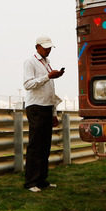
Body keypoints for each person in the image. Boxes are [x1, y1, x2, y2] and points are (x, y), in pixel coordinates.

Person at [22, 36, 64, 192]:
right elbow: (28, 84)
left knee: (45, 146)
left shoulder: (46, 63)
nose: (48, 50)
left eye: (50, 47)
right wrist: (48, 76)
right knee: (35, 145)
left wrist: (53, 112)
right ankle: (31, 182)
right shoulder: (30, 62)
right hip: (36, 107)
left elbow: (50, 91)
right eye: (45, 47)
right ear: (37, 47)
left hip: (46, 107)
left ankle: (41, 180)